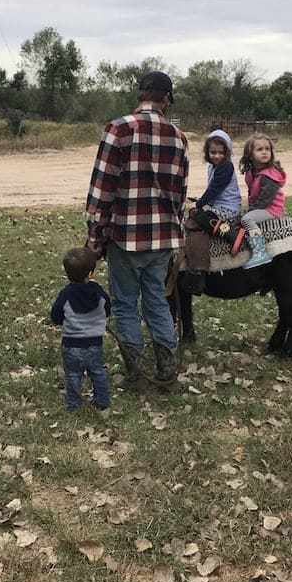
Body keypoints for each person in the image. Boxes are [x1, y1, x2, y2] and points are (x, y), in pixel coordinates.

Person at [85, 70, 189, 391]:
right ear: (166, 99)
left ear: (140, 95)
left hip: (124, 238)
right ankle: (167, 371)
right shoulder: (180, 138)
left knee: (126, 303)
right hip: (162, 238)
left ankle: (135, 374)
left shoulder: (118, 129)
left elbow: (102, 190)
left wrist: (94, 235)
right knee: (157, 300)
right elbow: (180, 195)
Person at [50, 246, 111, 411]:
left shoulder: (65, 295)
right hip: (95, 344)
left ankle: (73, 404)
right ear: (91, 273)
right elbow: (107, 309)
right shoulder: (99, 293)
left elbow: (56, 316)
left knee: (73, 375)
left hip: (72, 345)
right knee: (97, 371)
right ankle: (103, 401)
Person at [183, 129, 243, 294]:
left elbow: (214, 190)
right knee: (197, 212)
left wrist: (199, 204)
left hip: (228, 209)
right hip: (218, 205)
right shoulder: (213, 167)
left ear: (227, 152)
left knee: (200, 217)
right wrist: (198, 202)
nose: (217, 156)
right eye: (213, 152)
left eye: (221, 153)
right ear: (207, 153)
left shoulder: (226, 167)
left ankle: (230, 234)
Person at [238, 133, 286, 269]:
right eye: (259, 149)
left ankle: (260, 252)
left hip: (271, 208)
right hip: (260, 207)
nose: (264, 152)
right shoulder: (250, 172)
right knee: (245, 216)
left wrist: (251, 212)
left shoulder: (269, 175)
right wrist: (250, 208)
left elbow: (265, 200)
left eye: (267, 149)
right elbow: (252, 193)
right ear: (250, 154)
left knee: (247, 220)